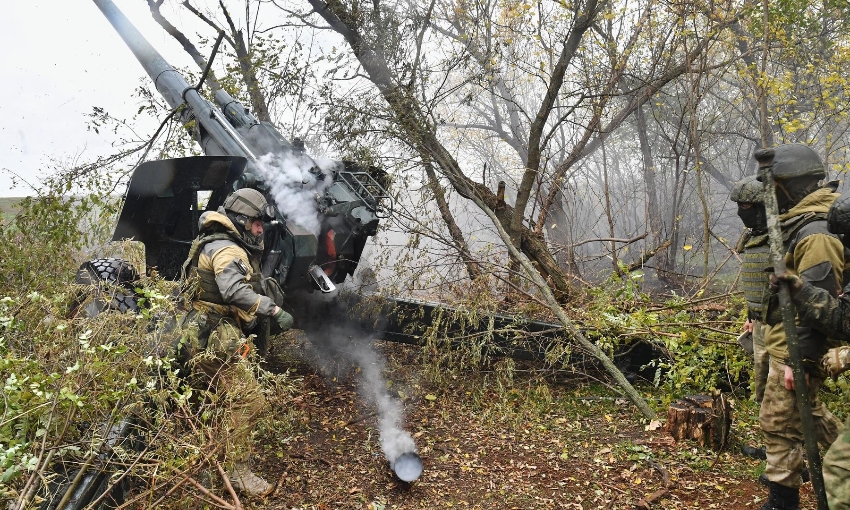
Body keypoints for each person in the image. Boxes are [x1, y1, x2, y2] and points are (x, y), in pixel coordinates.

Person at [179, 187, 294, 497]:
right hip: (212, 334)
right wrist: (273, 308)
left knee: (219, 401)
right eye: (257, 223)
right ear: (242, 220)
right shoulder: (228, 250)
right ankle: (237, 471)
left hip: (202, 331)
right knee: (248, 401)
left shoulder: (215, 241)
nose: (261, 229)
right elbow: (232, 291)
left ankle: (207, 466)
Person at [756, 143, 843, 510]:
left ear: (790, 185)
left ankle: (782, 502)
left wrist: (801, 360)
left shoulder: (817, 232)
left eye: (774, 187)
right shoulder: (801, 224)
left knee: (778, 425)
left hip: (796, 349)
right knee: (801, 419)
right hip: (783, 343)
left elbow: (820, 305)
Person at [731, 175, 771, 406]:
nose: (740, 212)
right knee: (763, 387)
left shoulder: (783, 236)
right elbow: (757, 279)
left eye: (745, 206)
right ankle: (773, 440)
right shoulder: (755, 236)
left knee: (783, 396)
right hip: (760, 320)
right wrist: (751, 316)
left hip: (782, 325)